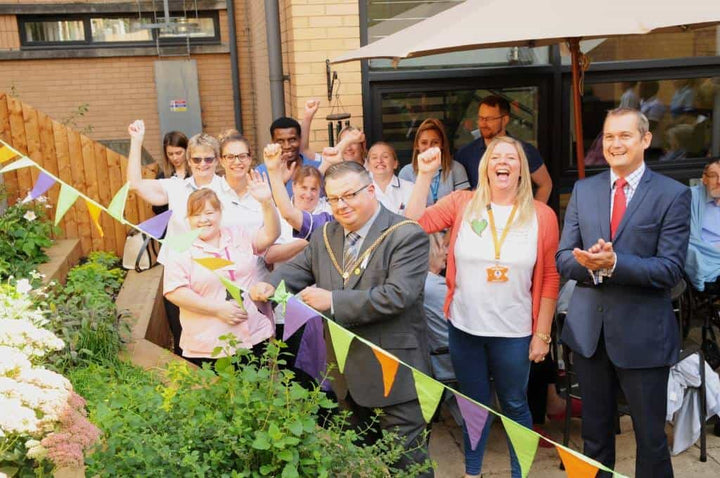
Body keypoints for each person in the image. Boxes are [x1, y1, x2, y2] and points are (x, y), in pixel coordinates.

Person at [250, 161, 433, 476]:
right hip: (345, 377)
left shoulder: (406, 234)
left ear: (371, 190)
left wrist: (333, 300)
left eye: (349, 195)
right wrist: (269, 284)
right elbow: (296, 271)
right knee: (362, 466)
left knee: (409, 467)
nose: (341, 205)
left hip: (396, 376)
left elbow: (399, 295)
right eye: (334, 198)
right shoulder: (324, 235)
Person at [405, 138, 559, 478]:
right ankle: (472, 472)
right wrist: (425, 176)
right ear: (486, 165)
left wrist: (543, 335)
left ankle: (520, 474)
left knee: (516, 405)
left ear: (521, 169)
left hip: (514, 333)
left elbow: (549, 278)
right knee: (474, 407)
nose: (503, 162)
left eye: (512, 158)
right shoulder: (463, 203)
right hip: (465, 330)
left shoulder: (542, 216)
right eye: (496, 157)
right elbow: (411, 225)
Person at [556, 107, 691, 478]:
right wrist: (587, 262)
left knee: (650, 442)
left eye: (625, 136)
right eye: (609, 136)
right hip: (589, 337)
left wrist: (615, 264)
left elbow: (670, 270)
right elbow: (563, 259)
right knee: (594, 442)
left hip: (643, 337)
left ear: (645, 140)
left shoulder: (673, 195)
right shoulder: (584, 190)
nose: (615, 144)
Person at [127, 120, 224, 356]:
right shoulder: (175, 188)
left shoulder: (226, 189)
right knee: (184, 337)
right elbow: (135, 184)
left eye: (209, 159)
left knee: (220, 337)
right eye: (197, 159)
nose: (203, 164)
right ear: (189, 161)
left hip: (217, 274)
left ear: (217, 160)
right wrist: (136, 141)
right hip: (180, 275)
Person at [163, 187, 279, 366]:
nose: (203, 220)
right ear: (188, 219)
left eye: (209, 212)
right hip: (211, 345)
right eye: (196, 215)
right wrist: (217, 309)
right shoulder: (181, 248)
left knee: (256, 390)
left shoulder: (238, 235)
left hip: (254, 335)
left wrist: (266, 203)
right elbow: (175, 292)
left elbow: (270, 235)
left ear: (220, 212)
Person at [454, 95, 553, 203]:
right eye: (481, 118)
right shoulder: (465, 153)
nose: (483, 123)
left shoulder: (524, 150)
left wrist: (534, 215)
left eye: (489, 119)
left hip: (514, 217)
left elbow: (545, 184)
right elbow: (459, 193)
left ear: (505, 120)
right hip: (478, 218)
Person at [399, 118, 470, 205]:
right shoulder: (406, 173)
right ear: (417, 145)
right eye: (424, 142)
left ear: (442, 144)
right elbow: (403, 209)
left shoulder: (456, 169)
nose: (429, 147)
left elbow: (463, 207)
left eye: (435, 142)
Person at [256, 117, 322, 196]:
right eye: (280, 141)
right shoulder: (262, 172)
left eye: (292, 140)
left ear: (300, 139)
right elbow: (262, 205)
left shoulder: (317, 168)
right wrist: (280, 182)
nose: (287, 146)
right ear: (273, 142)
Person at [685, 158, 720, 291]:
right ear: (704, 179)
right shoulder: (689, 198)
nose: (719, 182)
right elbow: (684, 238)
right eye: (713, 176)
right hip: (706, 258)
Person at [367, 142, 414, 215]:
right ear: (368, 165)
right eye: (374, 157)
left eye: (385, 156)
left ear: (395, 163)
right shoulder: (362, 190)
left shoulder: (410, 188)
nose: (379, 161)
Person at [152, 131, 190, 217]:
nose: (175, 158)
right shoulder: (162, 177)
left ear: (187, 150)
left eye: (178, 153)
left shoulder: (195, 174)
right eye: (170, 154)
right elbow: (156, 208)